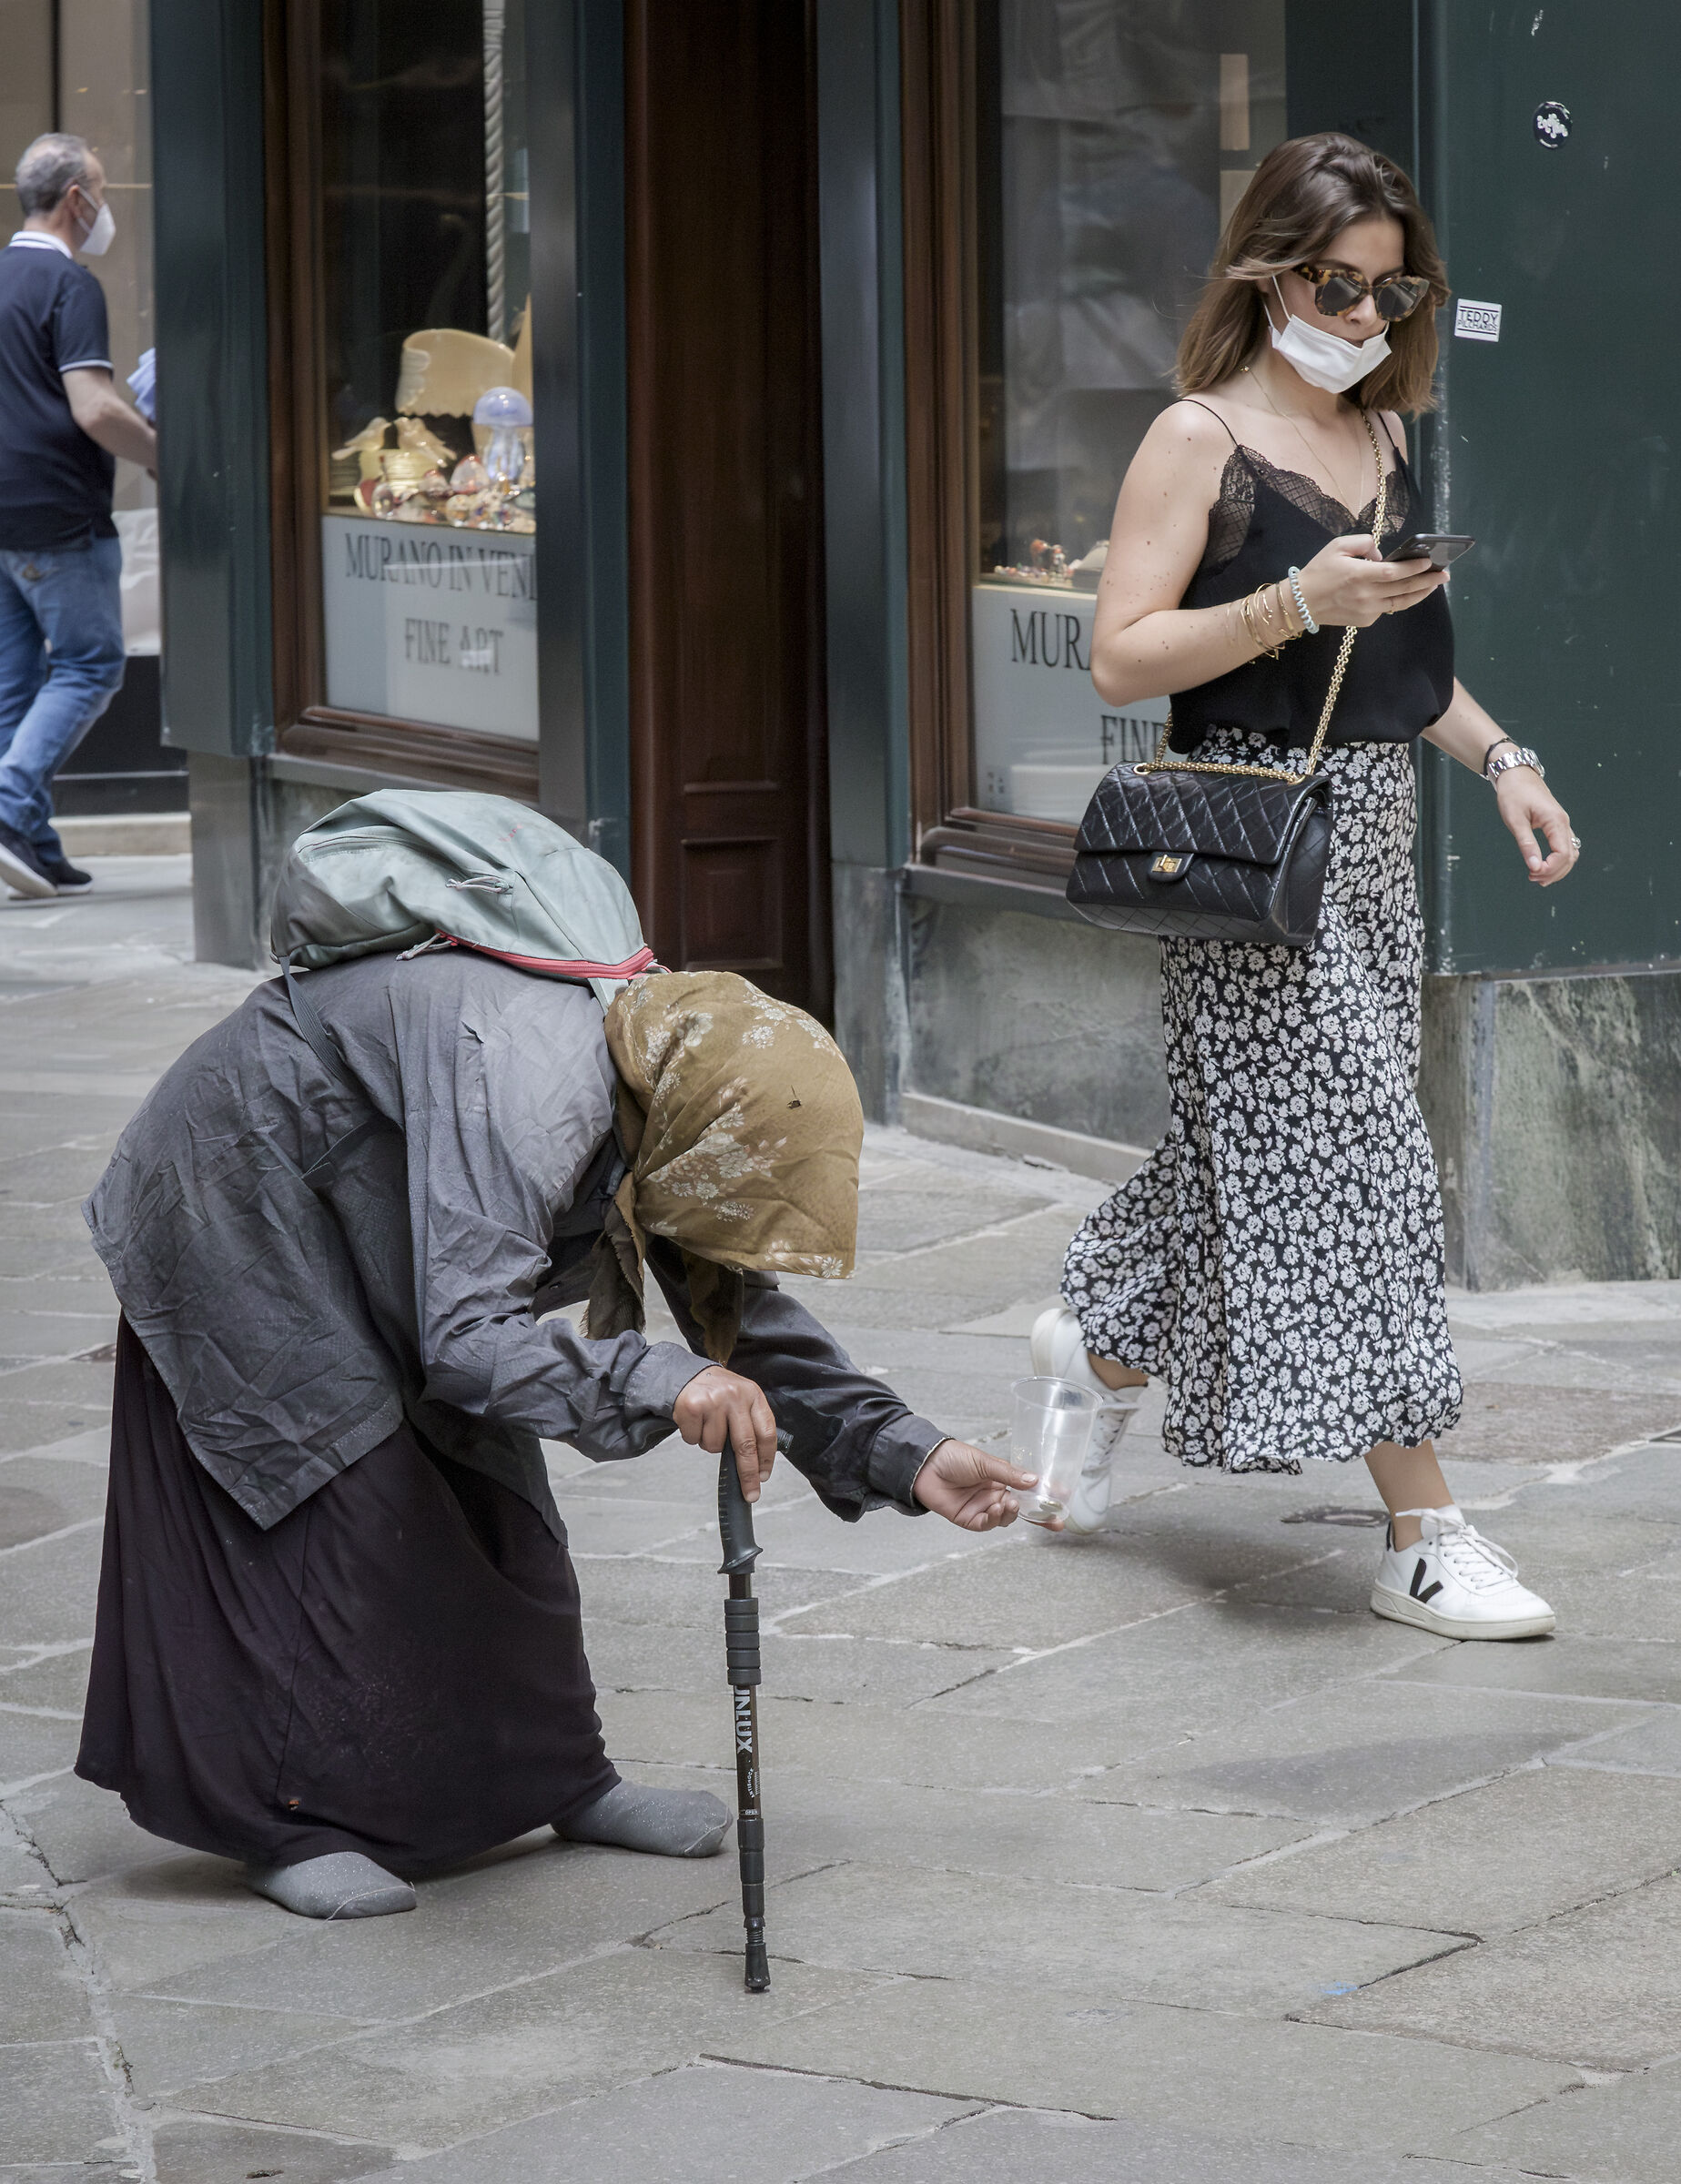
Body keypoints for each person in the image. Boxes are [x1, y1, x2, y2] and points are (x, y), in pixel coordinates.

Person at [78, 948, 1033, 1920]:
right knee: (346, 1493)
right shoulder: (532, 1095)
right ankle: (286, 1820)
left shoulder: (670, 1093)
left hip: (385, 1195)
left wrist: (905, 1452)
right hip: (238, 1189)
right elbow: (469, 1346)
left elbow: (730, 1299)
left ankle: (558, 1779)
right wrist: (662, 1377)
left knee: (502, 1501)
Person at [1032, 135, 1576, 1641]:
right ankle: (1424, 1526)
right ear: (1267, 268)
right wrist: (1288, 596)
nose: (1364, 317)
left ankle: (1101, 1350)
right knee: (1359, 1175)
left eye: (1393, 291)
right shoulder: (1193, 438)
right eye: (1338, 284)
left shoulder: (1384, 439)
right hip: (1248, 848)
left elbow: (1400, 668)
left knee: (1255, 1167)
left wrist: (1504, 758)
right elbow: (1120, 655)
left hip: (1373, 836)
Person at [0, 134, 156, 900]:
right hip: (60, 510)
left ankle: (30, 841)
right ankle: (5, 808)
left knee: (15, 685)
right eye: (102, 190)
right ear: (75, 200)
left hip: (2, 515)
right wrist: (164, 451)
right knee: (91, 665)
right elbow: (94, 408)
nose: (106, 207)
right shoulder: (70, 286)